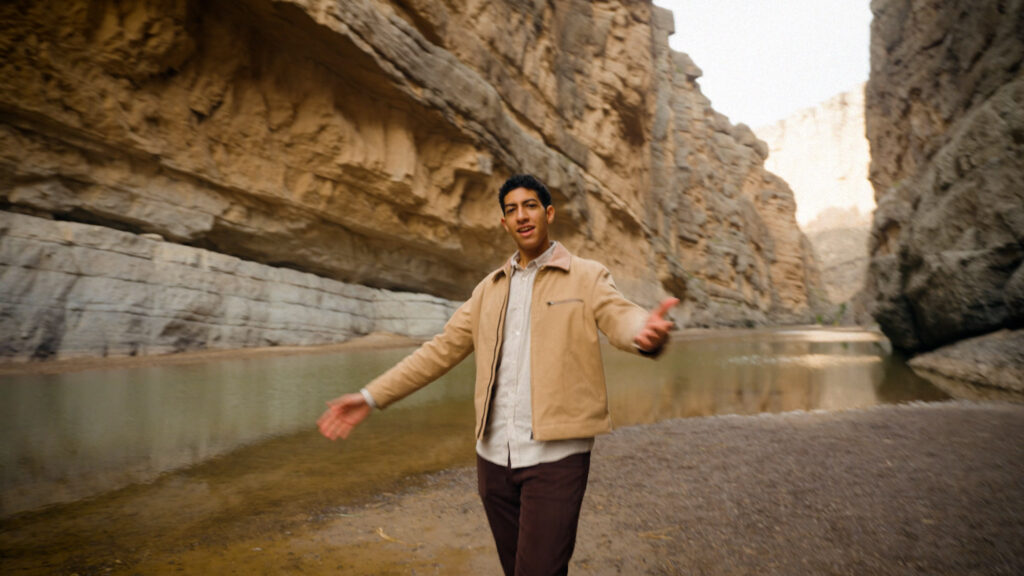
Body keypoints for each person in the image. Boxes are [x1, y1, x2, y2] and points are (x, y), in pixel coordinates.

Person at [318, 173, 677, 575]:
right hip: (493, 463)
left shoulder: (587, 276)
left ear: (548, 214)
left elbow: (620, 316)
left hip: (556, 459)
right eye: (512, 210)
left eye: (530, 206)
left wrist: (644, 332)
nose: (522, 216)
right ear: (504, 223)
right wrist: (370, 396)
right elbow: (438, 352)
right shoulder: (487, 290)